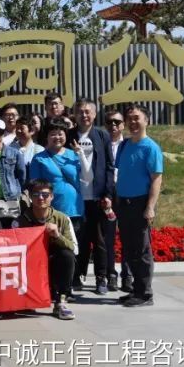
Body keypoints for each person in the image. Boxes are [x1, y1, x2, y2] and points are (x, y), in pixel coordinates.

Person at [115, 104, 163, 308]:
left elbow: (156, 179)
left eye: (137, 118)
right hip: (123, 202)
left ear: (147, 121)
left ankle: (145, 294)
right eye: (130, 118)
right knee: (129, 249)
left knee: (142, 249)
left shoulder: (151, 147)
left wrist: (150, 207)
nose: (133, 122)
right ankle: (136, 289)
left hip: (140, 202)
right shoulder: (124, 145)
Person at [12, 179, 78, 320]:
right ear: (30, 197)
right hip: (30, 263)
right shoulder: (20, 221)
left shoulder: (62, 218)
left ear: (52, 196)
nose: (40, 198)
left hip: (53, 261)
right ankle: (23, 298)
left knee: (67, 256)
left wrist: (57, 235)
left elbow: (73, 247)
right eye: (36, 195)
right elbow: (12, 249)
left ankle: (61, 300)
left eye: (45, 194)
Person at [70, 98, 117, 295]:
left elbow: (109, 166)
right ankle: (77, 275)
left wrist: (108, 193)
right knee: (78, 239)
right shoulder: (69, 135)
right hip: (76, 197)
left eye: (87, 111)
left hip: (97, 196)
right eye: (80, 111)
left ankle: (101, 277)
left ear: (95, 114)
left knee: (100, 240)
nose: (84, 115)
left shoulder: (102, 135)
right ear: (75, 114)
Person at [29, 123, 83, 242]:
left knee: (76, 247)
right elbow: (35, 185)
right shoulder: (39, 158)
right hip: (53, 213)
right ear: (47, 137)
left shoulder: (74, 154)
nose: (57, 137)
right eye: (53, 134)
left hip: (75, 209)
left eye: (60, 134)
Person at [102, 107, 131, 292]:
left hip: (126, 194)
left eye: (117, 122)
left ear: (123, 125)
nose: (113, 125)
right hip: (108, 196)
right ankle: (110, 274)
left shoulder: (129, 144)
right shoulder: (101, 144)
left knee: (127, 237)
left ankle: (127, 276)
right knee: (108, 238)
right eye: (109, 122)